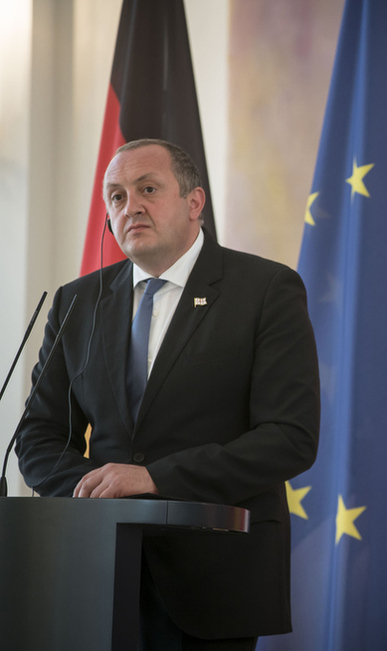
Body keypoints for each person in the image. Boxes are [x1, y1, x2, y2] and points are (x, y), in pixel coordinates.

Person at [15, 139, 320, 650]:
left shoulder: (265, 289)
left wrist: (154, 479)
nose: (128, 206)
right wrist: (96, 491)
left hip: (212, 576)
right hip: (93, 573)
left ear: (194, 202)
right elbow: (38, 437)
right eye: (115, 196)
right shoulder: (77, 301)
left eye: (147, 189)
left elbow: (289, 438)